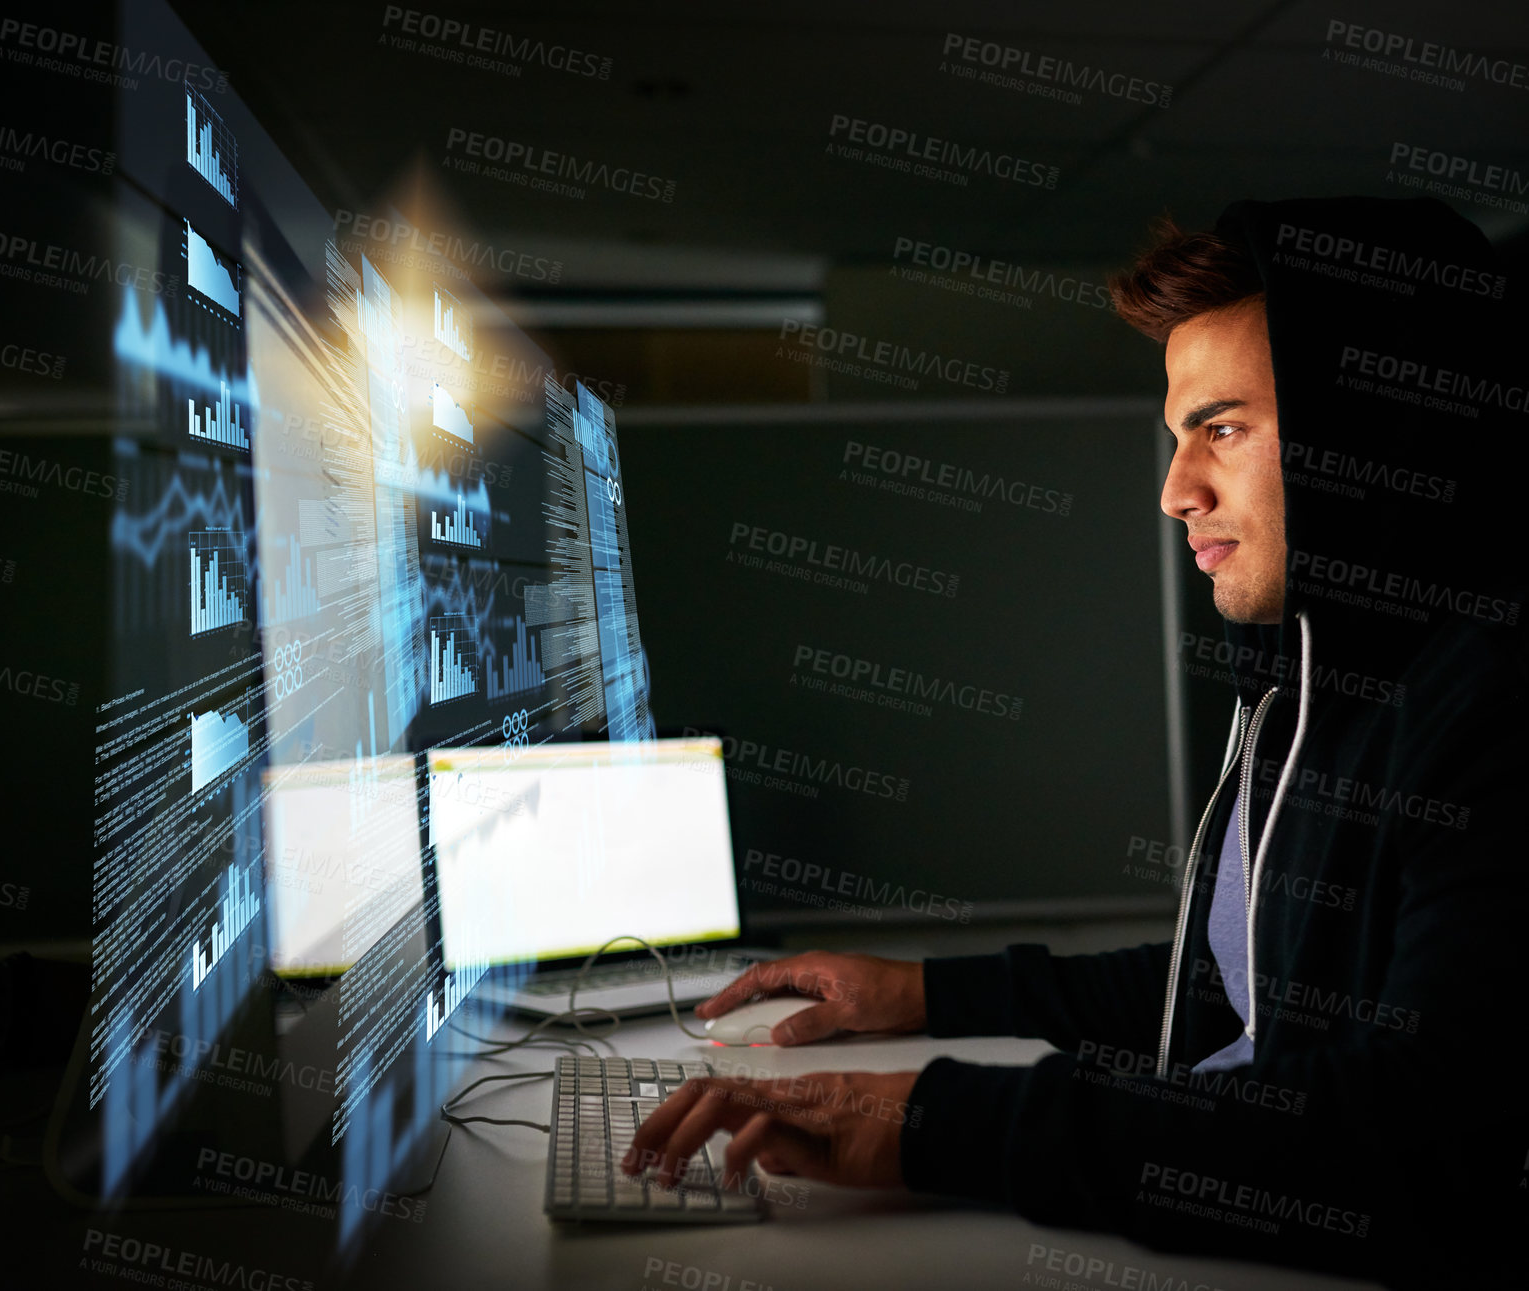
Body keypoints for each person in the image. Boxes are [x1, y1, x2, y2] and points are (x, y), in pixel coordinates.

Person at [625, 196, 1526, 1287]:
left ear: (1377, 433)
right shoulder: (1311, 680)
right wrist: (921, 995)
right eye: (1177, 436)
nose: (1176, 490)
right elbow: (1237, 987)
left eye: (1223, 427)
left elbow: (1412, 1139)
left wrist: (942, 1122)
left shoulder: (1490, 709)